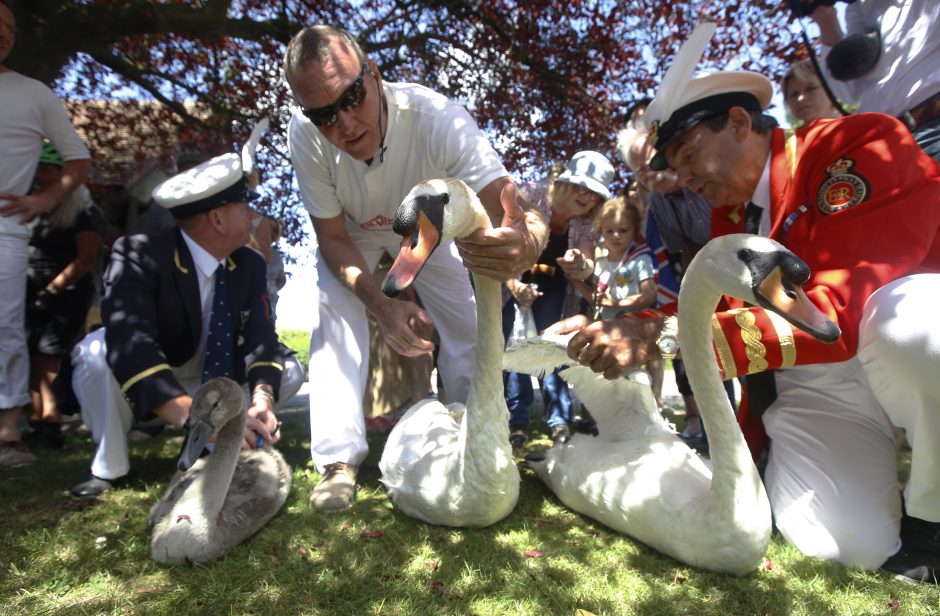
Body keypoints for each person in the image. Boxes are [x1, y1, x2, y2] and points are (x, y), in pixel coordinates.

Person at [550, 45, 940, 582]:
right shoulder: (731, 216)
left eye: (687, 154)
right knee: (842, 543)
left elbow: (840, 315)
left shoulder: (858, 144)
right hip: (820, 380)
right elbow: (721, 309)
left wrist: (657, 337)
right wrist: (635, 327)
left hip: (883, 344)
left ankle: (931, 518)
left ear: (738, 123)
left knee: (915, 329)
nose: (683, 178)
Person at [283, 24, 547, 511]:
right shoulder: (305, 137)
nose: (343, 124)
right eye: (322, 114)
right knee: (335, 317)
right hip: (354, 234)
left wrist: (526, 243)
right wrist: (382, 305)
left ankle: (476, 435)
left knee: (469, 324)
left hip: (428, 226)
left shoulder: (439, 119)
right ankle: (337, 462)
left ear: (374, 75)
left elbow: (516, 211)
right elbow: (332, 238)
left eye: (352, 97)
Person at [67, 153, 305, 497]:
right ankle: (109, 467)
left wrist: (263, 399)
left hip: (214, 377)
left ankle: (217, 449)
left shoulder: (249, 264)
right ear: (218, 218)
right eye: (244, 206)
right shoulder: (138, 254)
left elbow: (261, 339)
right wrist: (192, 418)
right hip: (161, 374)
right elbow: (130, 343)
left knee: (290, 370)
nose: (253, 215)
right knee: (95, 352)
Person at [0, 0, 92, 468]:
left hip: (5, 227)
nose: (4, 32)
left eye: (11, 26)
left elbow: (78, 160)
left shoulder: (33, 92)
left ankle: (9, 430)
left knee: (7, 328)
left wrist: (38, 202)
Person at [503, 151, 613, 448]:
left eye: (594, 193)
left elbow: (587, 260)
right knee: (510, 350)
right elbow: (501, 248)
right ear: (565, 182)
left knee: (552, 349)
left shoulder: (586, 223)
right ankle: (516, 422)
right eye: (581, 186)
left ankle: (560, 421)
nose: (586, 196)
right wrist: (514, 286)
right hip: (510, 282)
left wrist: (581, 263)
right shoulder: (530, 196)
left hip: (553, 289)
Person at [25, 143, 104, 449]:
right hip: (30, 288)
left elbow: (84, 259)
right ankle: (37, 416)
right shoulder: (34, 206)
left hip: (66, 293)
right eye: (39, 170)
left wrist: (54, 288)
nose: (41, 176)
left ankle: (53, 416)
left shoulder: (83, 210)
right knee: (31, 351)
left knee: (50, 353)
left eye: (47, 170)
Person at [806, 0, 940, 158]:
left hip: (933, 128)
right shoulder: (859, 8)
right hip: (887, 147)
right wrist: (825, 18)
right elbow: (847, 92)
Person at [564, 196, 656, 321]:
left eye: (623, 230)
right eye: (609, 231)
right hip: (603, 326)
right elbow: (597, 299)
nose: (616, 236)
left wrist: (616, 303)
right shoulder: (601, 263)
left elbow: (650, 295)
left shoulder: (641, 259)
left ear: (635, 231)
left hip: (632, 327)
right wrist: (575, 281)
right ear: (601, 231)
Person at [781, 59, 842, 127]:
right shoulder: (788, 137)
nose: (800, 98)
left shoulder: (853, 127)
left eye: (810, 89)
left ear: (830, 90)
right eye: (793, 94)